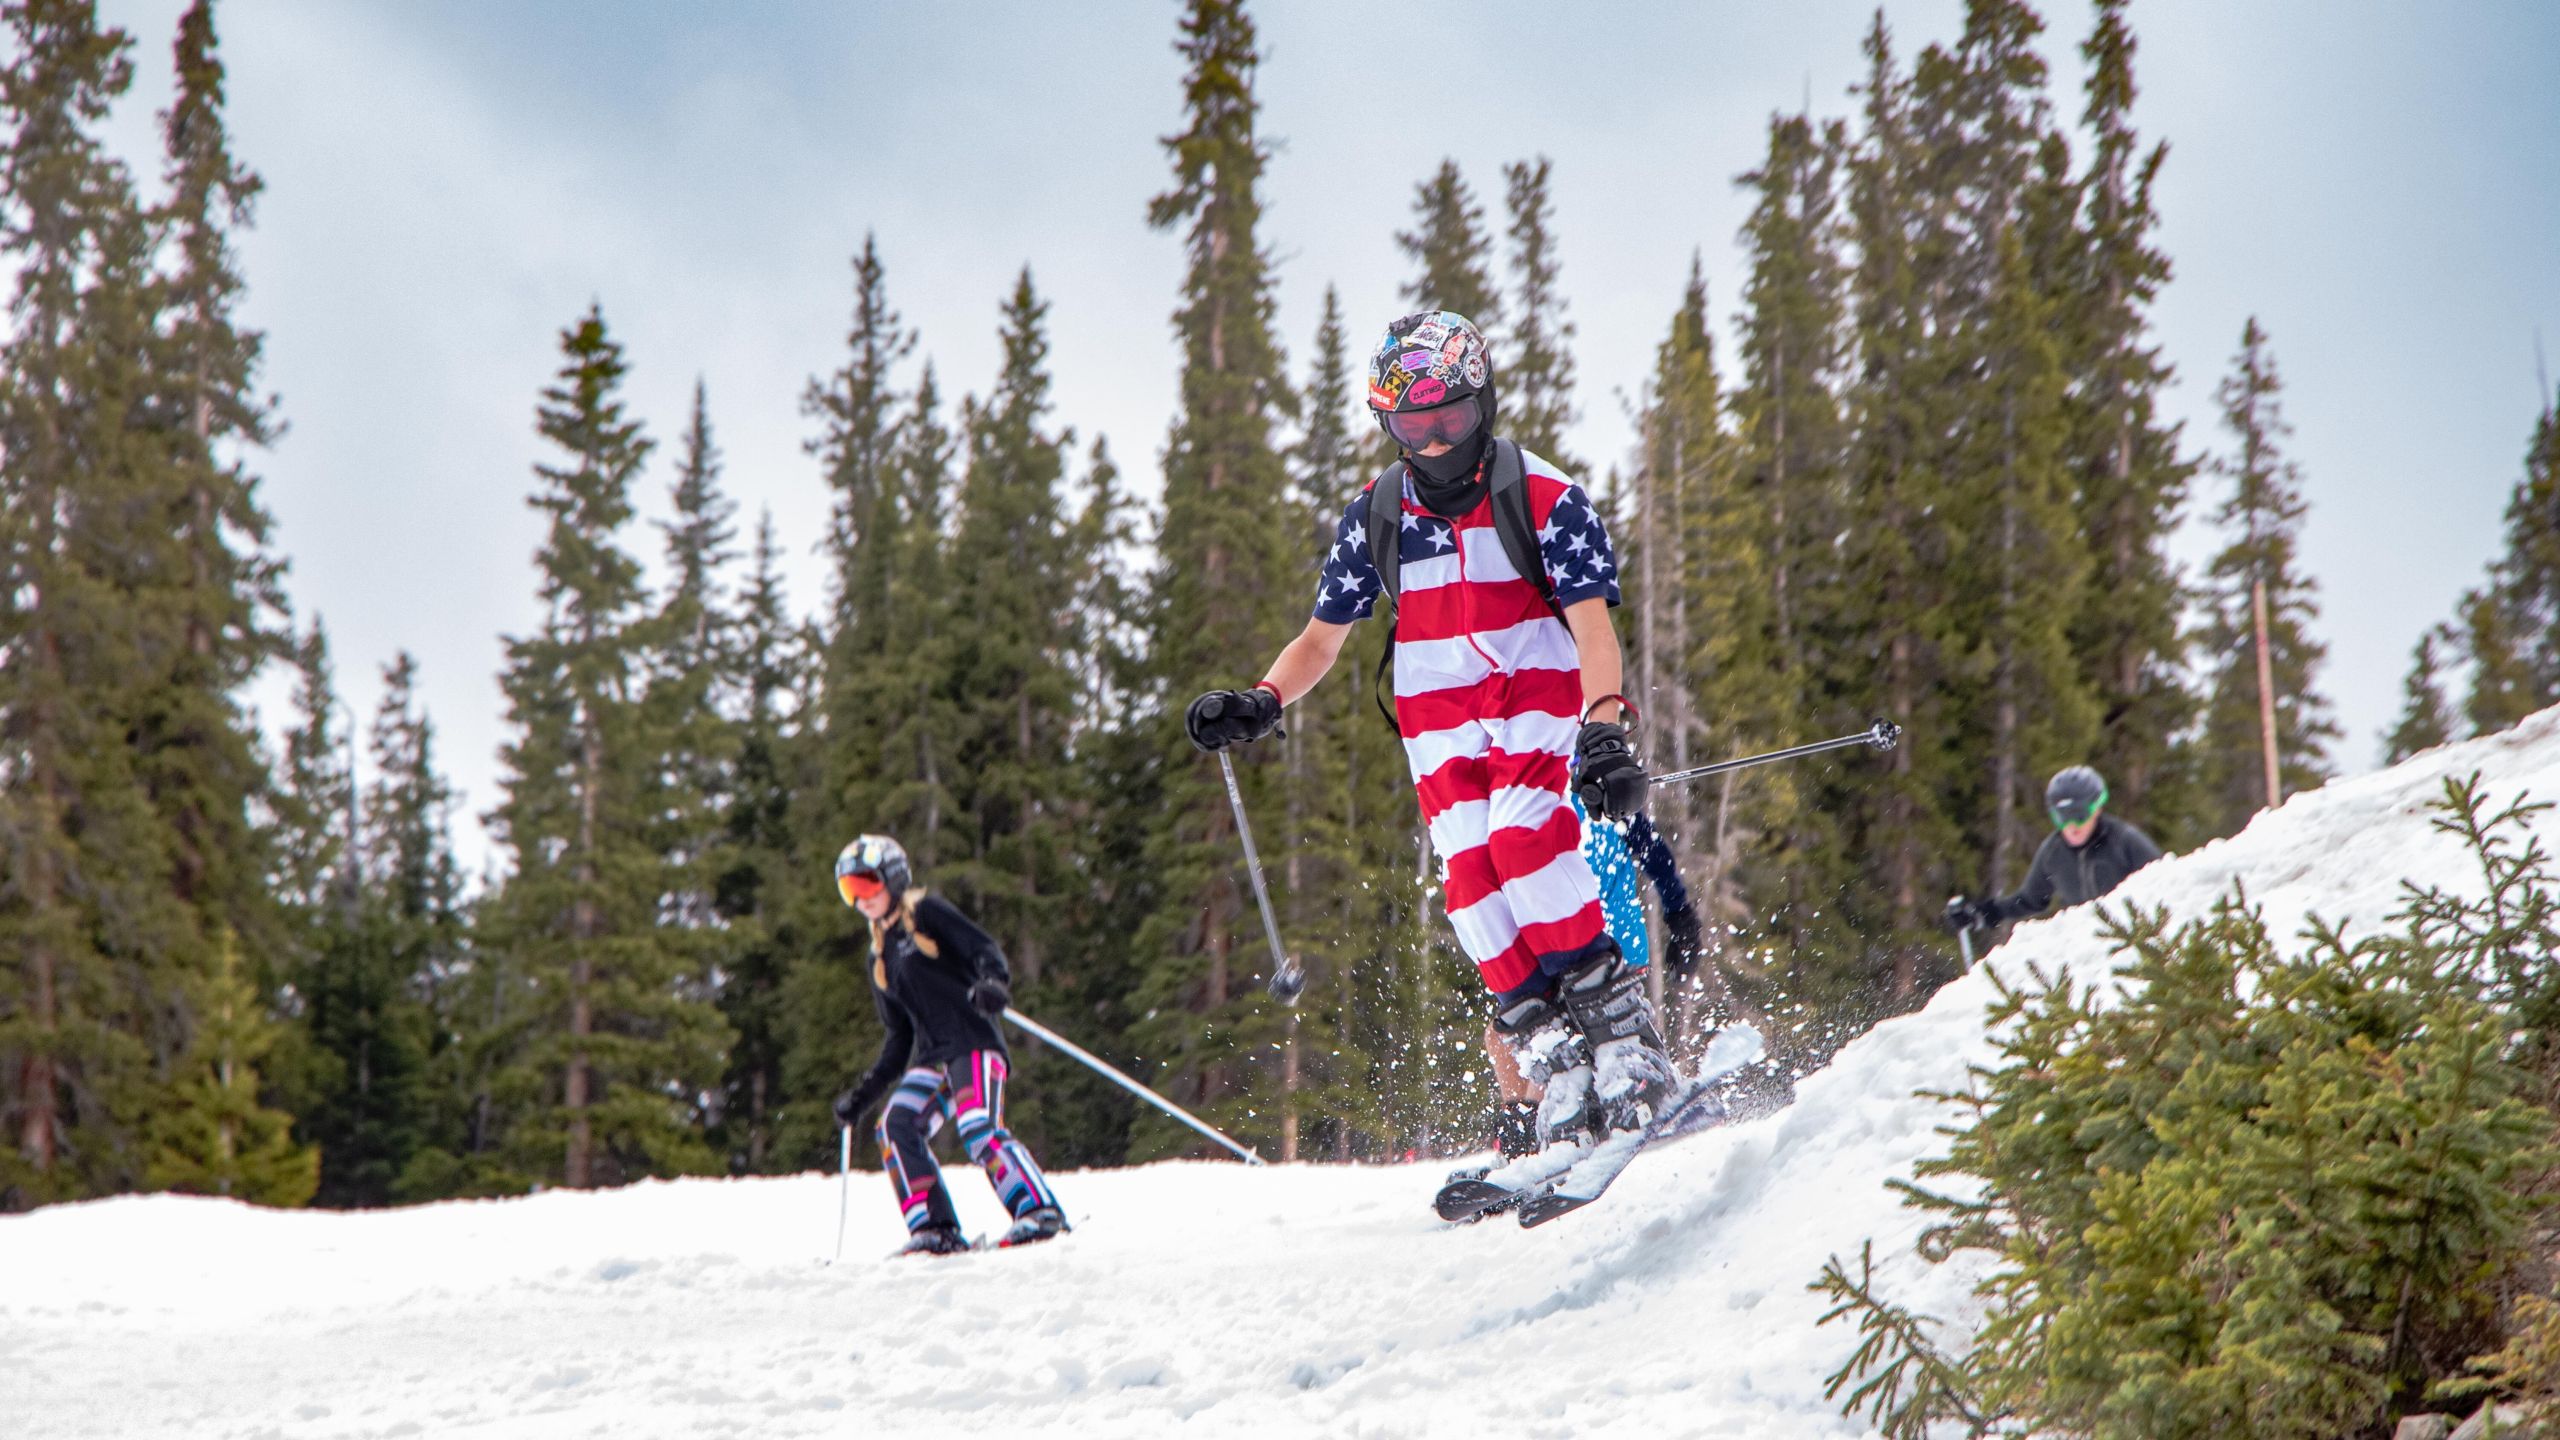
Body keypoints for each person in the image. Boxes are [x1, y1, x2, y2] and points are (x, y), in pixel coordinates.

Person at [1185, 309, 1677, 1165]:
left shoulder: (1546, 498)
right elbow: (1320, 642)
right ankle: (1553, 1060)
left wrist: (1603, 730)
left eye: (1448, 418)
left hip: (1536, 690)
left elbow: (1594, 629)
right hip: (1438, 715)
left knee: (1527, 847)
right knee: (1473, 886)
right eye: (1413, 424)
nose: (1435, 440)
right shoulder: (1376, 517)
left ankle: (1624, 1045)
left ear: (1480, 403)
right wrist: (1261, 700)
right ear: (1389, 424)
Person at [830, 834, 1068, 1256]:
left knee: (977, 1124)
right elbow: (899, 1037)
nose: (860, 899)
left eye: (866, 885)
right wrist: (864, 1094)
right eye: (850, 890)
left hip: (973, 1042)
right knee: (895, 1126)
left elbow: (983, 949)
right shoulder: (879, 957)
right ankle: (935, 1228)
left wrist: (992, 983)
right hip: (932, 1058)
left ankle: (1039, 1211)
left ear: (894, 878)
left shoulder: (926, 914)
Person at [1475, 795, 1702, 1164]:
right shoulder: (1517, 803)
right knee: (1504, 1037)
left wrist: (1681, 916)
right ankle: (1521, 1139)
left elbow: (1651, 851)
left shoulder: (1598, 795)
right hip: (1554, 946)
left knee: (1560, 1042)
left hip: (1607, 949)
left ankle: (1547, 1135)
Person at [1943, 765, 2163, 937]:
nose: (2071, 826)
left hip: (2135, 940)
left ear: (2098, 808)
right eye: (2061, 818)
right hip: (2086, 946)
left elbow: (2165, 881)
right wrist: (1982, 913)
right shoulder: (2052, 852)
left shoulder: (2124, 841)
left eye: (2079, 815)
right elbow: (2030, 900)